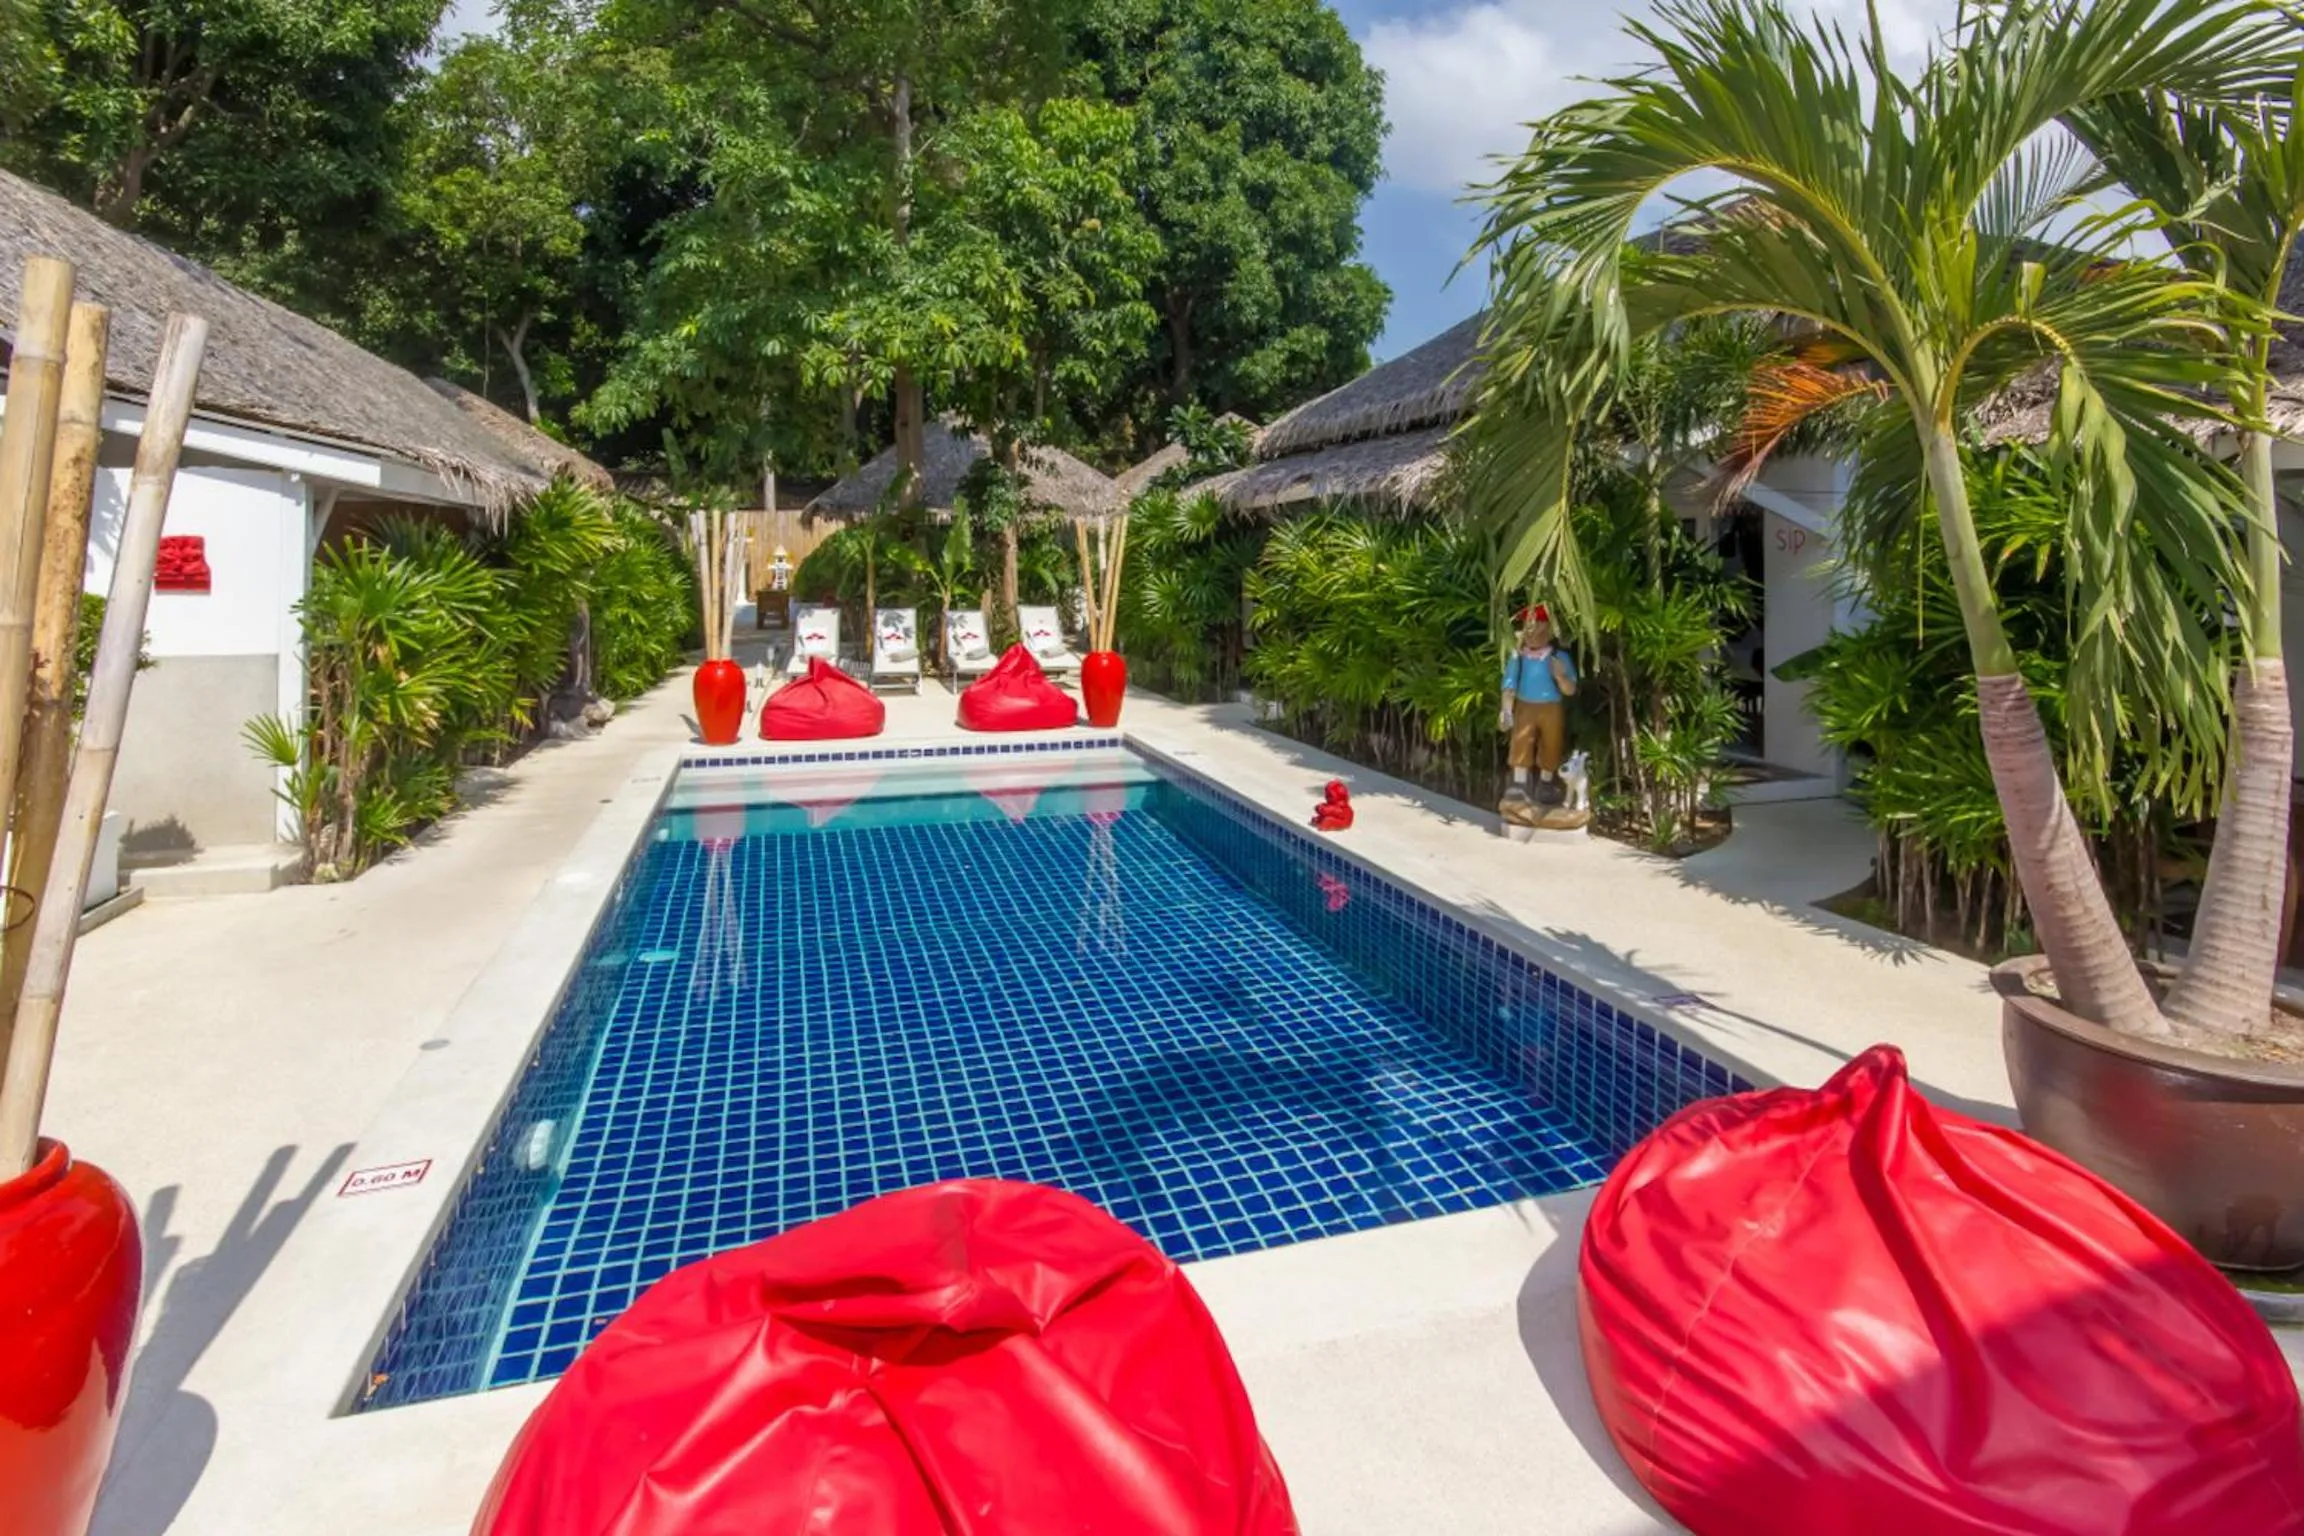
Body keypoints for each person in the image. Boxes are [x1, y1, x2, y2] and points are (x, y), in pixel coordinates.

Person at [1498, 604, 1579, 805]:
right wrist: (1506, 710)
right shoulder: (1519, 657)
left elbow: (1570, 689)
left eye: (1538, 628)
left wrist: (1560, 676)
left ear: (1549, 631)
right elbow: (1509, 685)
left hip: (1551, 707)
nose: (1532, 634)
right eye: (1528, 628)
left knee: (1551, 742)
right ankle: (1519, 783)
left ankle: (1546, 784)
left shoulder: (1558, 658)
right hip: (1525, 705)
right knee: (1521, 741)